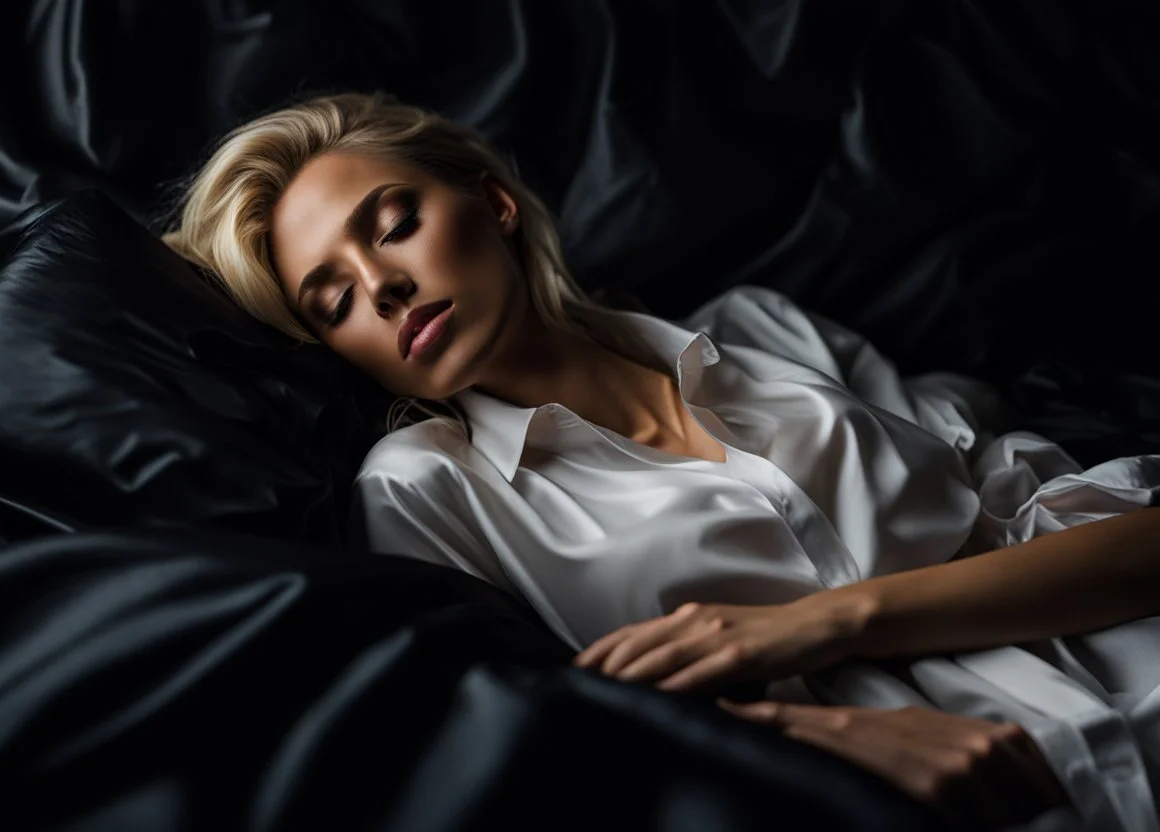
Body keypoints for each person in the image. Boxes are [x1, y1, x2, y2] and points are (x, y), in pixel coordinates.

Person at [164, 93, 1160, 831]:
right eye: (331, 301)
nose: (381, 287)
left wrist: (826, 620)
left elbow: (1065, 517)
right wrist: (816, 744)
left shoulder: (764, 332)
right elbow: (539, 747)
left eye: (392, 226)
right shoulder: (427, 490)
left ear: (494, 202)